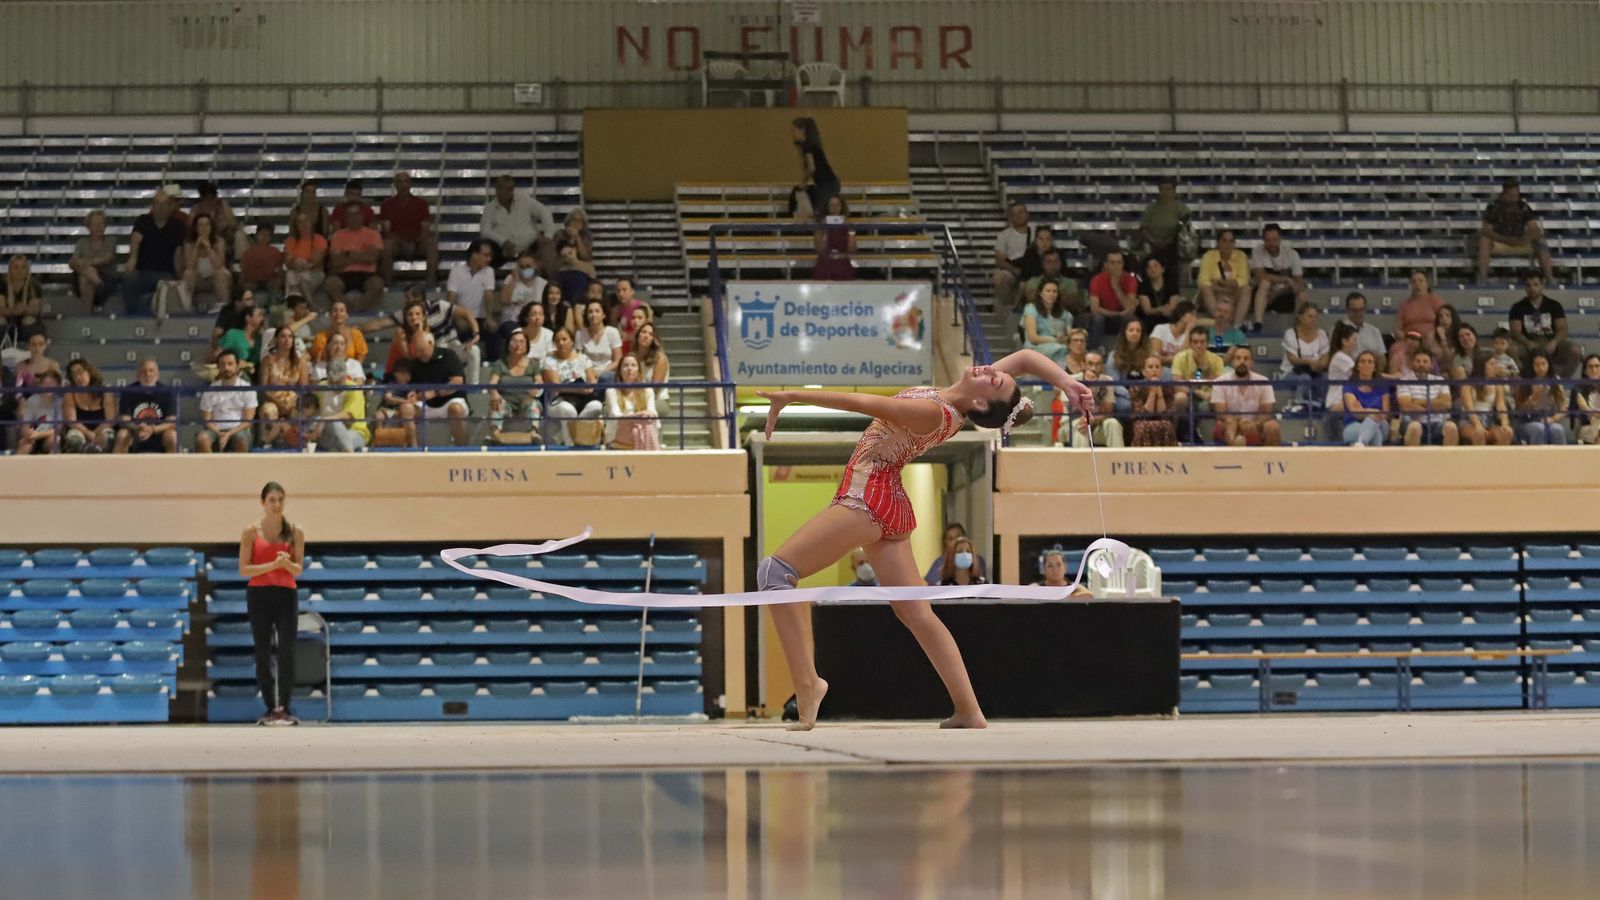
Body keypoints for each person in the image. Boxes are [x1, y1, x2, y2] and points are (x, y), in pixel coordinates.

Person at [756, 352, 1088, 730]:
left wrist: (793, 397)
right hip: (890, 499)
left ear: (980, 402)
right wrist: (1067, 382)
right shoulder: (959, 397)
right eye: (998, 373)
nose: (992, 370)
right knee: (917, 614)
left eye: (995, 379)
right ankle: (969, 710)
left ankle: (808, 684)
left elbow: (861, 402)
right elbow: (1027, 358)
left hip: (868, 498)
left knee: (775, 572)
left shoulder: (932, 413)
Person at [238, 482, 305, 726]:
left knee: (287, 652)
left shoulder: (295, 531)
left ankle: (284, 708)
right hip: (259, 595)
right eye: (272, 500)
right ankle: (269, 708)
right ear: (263, 503)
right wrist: (272, 566)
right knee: (263, 652)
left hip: (286, 594)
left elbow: (298, 569)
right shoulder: (251, 531)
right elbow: (244, 568)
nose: (276, 505)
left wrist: (285, 564)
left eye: (280, 500)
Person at [120, 190, 185, 317]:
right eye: (157, 204)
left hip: (166, 273)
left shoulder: (177, 225)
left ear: (170, 206)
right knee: (129, 280)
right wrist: (132, 259)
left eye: (165, 204)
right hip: (142, 272)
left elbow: (178, 252)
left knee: (168, 286)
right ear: (153, 206)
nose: (161, 208)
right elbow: (136, 239)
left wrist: (180, 275)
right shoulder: (142, 221)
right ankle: (132, 316)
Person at [1478, 177, 1554, 284]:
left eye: (1516, 195)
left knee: (1541, 242)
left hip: (1520, 241)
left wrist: (1526, 238)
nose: (1514, 199)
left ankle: (1550, 278)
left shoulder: (1523, 207)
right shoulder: (1493, 207)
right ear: (1504, 194)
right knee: (1484, 241)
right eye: (1510, 196)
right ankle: (1482, 278)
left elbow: (1535, 229)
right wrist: (1505, 239)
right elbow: (1486, 230)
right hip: (1500, 242)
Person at [1508, 272, 1581, 377]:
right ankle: (1524, 379)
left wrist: (1554, 342)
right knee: (1511, 349)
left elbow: (1563, 329)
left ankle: (1561, 382)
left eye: (1535, 284)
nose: (1532, 288)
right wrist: (1528, 343)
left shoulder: (1554, 305)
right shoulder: (1517, 307)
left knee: (1575, 350)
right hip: (1527, 343)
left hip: (1550, 341)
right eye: (1528, 285)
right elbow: (1515, 332)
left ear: (1543, 285)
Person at [1241, 223, 1307, 333]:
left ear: (1280, 239)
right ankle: (1258, 324)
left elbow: (1298, 282)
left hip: (1283, 294)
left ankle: (1299, 329)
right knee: (1264, 284)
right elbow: (1260, 276)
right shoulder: (1258, 251)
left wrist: (1277, 292)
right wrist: (1286, 279)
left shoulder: (1292, 254)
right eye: (1268, 240)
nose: (1271, 243)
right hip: (1262, 295)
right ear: (1264, 240)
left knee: (1302, 294)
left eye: (1274, 240)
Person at [407, 331, 470, 447]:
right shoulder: (415, 364)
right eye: (416, 351)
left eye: (422, 350)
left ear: (431, 344)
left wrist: (435, 393)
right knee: (406, 409)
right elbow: (413, 386)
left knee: (456, 409)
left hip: (450, 401)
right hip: (427, 405)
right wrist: (413, 395)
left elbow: (457, 381)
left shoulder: (448, 355)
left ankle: (462, 450)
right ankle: (414, 450)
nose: (419, 354)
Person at [541, 327, 602, 445]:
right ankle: (571, 446)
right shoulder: (549, 361)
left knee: (596, 406)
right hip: (558, 400)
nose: (561, 343)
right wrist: (579, 390)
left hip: (583, 399)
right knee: (568, 410)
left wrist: (582, 389)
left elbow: (591, 383)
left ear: (572, 341)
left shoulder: (583, 358)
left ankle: (580, 436)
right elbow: (556, 387)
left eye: (564, 339)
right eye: (557, 341)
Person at [480, 175, 556, 269]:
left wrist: (547, 236)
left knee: (547, 246)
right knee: (481, 248)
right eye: (499, 188)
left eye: (506, 189)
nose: (501, 192)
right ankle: (484, 280)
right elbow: (485, 231)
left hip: (529, 247)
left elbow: (545, 213)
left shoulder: (524, 199)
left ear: (511, 190)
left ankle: (551, 281)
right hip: (502, 250)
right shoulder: (489, 208)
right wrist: (504, 242)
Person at [380, 171, 441, 287]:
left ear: (410, 184)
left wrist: (414, 242)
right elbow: (386, 231)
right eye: (399, 182)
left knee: (431, 244)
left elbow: (425, 229)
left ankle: (431, 282)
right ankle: (388, 284)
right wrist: (403, 243)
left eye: (406, 181)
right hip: (397, 244)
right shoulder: (387, 204)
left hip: (417, 242)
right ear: (395, 185)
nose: (403, 185)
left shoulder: (421, 203)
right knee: (386, 246)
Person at [1211, 346, 1281, 447]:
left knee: (1273, 426)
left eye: (1246, 358)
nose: (1242, 361)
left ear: (1252, 362)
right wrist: (1239, 422)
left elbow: (1267, 412)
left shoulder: (1263, 381)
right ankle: (1236, 448)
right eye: (1238, 358)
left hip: (1255, 425)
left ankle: (1268, 461)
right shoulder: (1220, 381)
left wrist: (1254, 424)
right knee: (1229, 423)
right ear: (1232, 362)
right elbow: (1220, 413)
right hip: (1231, 424)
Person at [446, 240, 496, 380]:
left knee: (492, 331)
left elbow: (488, 294)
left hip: (480, 317)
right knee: (460, 330)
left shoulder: (489, 272)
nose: (489, 259)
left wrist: (489, 317)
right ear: (474, 255)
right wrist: (455, 318)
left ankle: (493, 366)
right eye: (485, 255)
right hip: (461, 317)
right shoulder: (456, 272)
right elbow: (451, 298)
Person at [256, 326, 310, 450]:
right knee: (268, 411)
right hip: (272, 399)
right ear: (276, 340)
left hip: (293, 401)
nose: (287, 340)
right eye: (283, 336)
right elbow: (263, 388)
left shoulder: (300, 361)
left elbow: (304, 387)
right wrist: (278, 403)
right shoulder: (268, 360)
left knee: (300, 414)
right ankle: (266, 443)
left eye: (290, 337)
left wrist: (292, 401)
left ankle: (296, 443)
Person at [325, 203, 385, 310]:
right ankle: (347, 307)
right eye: (350, 215)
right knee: (330, 284)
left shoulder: (373, 234)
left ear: (362, 215)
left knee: (377, 284)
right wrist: (362, 254)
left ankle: (358, 307)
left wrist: (347, 254)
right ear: (345, 217)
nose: (354, 218)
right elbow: (337, 263)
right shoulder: (337, 236)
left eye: (356, 214)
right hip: (344, 274)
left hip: (367, 274)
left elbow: (371, 258)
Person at [195, 350, 257, 453]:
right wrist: (219, 433)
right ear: (218, 367)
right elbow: (207, 419)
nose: (226, 368)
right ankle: (210, 468)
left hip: (238, 430)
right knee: (202, 439)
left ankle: (239, 469)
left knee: (241, 440)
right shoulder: (211, 389)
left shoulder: (247, 388)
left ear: (237, 366)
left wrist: (229, 434)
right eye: (222, 364)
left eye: (230, 364)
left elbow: (248, 422)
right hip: (215, 430)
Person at [487, 327, 542, 444]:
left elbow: (540, 382)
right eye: (514, 341)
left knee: (534, 405)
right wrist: (494, 394)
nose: (518, 345)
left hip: (526, 401)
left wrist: (535, 389)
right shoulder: (500, 364)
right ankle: (496, 435)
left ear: (527, 346)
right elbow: (492, 383)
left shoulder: (533, 364)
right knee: (496, 404)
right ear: (508, 345)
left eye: (522, 342)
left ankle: (533, 433)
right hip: (506, 401)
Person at [111, 358, 178, 454]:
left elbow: (172, 422)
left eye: (151, 370)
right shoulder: (128, 391)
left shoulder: (167, 392)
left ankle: (173, 468)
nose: (148, 374)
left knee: (172, 436)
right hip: (135, 431)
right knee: (122, 435)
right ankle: (116, 467)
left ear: (157, 374)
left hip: (159, 432)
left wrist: (153, 429)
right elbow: (124, 420)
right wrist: (138, 428)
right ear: (138, 375)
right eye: (144, 371)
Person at [1136, 177, 1192, 287]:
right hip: (1152, 245)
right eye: (1162, 189)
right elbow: (1143, 228)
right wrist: (1153, 241)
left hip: (1174, 246)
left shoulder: (1182, 208)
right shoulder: (1151, 208)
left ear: (1174, 191)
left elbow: (1186, 230)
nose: (1165, 192)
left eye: (1168, 189)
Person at [1397, 348, 1458, 447]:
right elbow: (1406, 406)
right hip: (1412, 421)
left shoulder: (1440, 380)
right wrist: (1435, 404)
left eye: (1425, 361)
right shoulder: (1404, 380)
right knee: (1415, 427)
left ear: (1431, 364)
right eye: (1418, 361)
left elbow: (1447, 403)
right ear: (1412, 363)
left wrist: (1418, 402)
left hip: (1437, 422)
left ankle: (1449, 462)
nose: (1421, 364)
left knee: (1451, 427)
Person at [1279, 301, 1331, 412]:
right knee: (1305, 379)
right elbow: (1292, 359)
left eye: (1315, 317)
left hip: (1315, 371)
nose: (1313, 320)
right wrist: (1309, 362)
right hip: (1292, 372)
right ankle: (1299, 403)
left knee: (1325, 378)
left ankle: (1322, 404)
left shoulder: (1321, 334)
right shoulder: (1291, 333)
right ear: (1300, 317)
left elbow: (1325, 358)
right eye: (1309, 316)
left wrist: (1320, 365)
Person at [1196, 230, 1250, 328]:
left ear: (1234, 243)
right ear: (1218, 243)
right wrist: (1227, 287)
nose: (1228, 244)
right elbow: (1203, 280)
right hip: (1214, 295)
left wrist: (1220, 283)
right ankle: (1220, 320)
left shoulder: (1240, 256)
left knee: (1247, 289)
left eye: (1231, 241)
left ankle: (1236, 326)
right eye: (1224, 241)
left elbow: (1244, 280)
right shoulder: (1209, 256)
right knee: (1205, 288)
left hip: (1232, 295)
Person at [606, 354, 661, 450]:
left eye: (633, 365)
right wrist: (639, 416)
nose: (629, 368)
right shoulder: (612, 391)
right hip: (619, 434)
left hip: (642, 431)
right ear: (619, 371)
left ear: (638, 370)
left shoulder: (647, 390)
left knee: (644, 427)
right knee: (641, 427)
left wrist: (638, 418)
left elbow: (653, 413)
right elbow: (617, 415)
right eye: (625, 365)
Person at [790, 116, 840, 221]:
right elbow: (805, 167)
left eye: (794, 130)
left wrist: (803, 182)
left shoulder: (809, 145)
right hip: (824, 184)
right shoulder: (806, 146)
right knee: (820, 215)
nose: (793, 134)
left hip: (828, 184)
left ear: (802, 130)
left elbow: (812, 168)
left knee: (822, 215)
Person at [1458, 355, 1515, 447]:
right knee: (1479, 434)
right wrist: (1477, 425)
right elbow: (1469, 409)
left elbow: (1501, 406)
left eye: (1495, 364)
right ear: (1482, 366)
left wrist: (1505, 424)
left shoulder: (1497, 385)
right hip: (1470, 422)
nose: (1495, 367)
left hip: (1489, 421)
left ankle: (1497, 460)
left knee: (1507, 433)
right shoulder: (1467, 385)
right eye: (1491, 364)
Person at [61, 359, 116, 453]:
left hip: (102, 428)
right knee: (74, 440)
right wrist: (88, 433)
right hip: (80, 429)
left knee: (108, 438)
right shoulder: (70, 393)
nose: (78, 377)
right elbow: (71, 421)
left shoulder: (105, 390)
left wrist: (95, 434)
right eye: (74, 374)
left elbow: (111, 420)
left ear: (89, 372)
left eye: (80, 372)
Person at [1515, 349, 1569, 445]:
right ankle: (1538, 459)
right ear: (1532, 365)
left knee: (1558, 429)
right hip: (1527, 421)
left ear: (1548, 364)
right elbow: (1519, 411)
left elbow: (1563, 408)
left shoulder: (1555, 380)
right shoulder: (1524, 381)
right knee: (1539, 429)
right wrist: (1533, 398)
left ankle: (1562, 459)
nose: (1541, 368)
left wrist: (1553, 419)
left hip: (1549, 418)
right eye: (1537, 365)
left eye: (1543, 364)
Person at [70, 210, 120, 313]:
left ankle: (86, 315)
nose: (99, 227)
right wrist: (88, 265)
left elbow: (107, 259)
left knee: (85, 275)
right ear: (88, 227)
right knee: (85, 274)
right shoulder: (81, 242)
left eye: (101, 224)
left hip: (107, 277)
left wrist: (85, 262)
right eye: (96, 224)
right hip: (87, 280)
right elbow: (73, 262)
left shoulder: (111, 240)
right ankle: (98, 283)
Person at [181, 213, 232, 310]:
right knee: (188, 273)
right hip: (198, 278)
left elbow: (219, 265)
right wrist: (196, 247)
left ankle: (223, 307)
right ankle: (186, 307)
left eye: (208, 224)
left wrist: (208, 247)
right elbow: (189, 266)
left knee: (220, 273)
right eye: (201, 225)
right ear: (196, 228)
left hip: (214, 277)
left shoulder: (219, 241)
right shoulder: (189, 243)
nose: (205, 228)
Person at [1340, 351, 1391, 447]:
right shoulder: (1349, 387)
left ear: (1375, 367)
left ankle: (1360, 443)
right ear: (1358, 366)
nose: (1366, 364)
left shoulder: (1382, 387)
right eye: (1362, 361)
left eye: (1370, 362)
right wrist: (1373, 412)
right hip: (1353, 426)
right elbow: (1355, 413)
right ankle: (1362, 443)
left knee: (1377, 423)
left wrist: (1364, 411)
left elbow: (1384, 414)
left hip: (1381, 424)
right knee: (1376, 434)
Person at [1087, 250, 1138, 343]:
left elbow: (1130, 308)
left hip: (1122, 318)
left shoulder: (1130, 280)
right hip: (1104, 317)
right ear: (1106, 264)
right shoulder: (1097, 280)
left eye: (1119, 262)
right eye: (1112, 263)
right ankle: (1095, 350)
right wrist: (1118, 314)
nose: (1116, 266)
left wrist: (1116, 287)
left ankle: (1128, 350)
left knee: (1130, 318)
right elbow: (1095, 309)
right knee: (1098, 319)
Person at [1128, 354, 1177, 447]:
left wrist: (1158, 390)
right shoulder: (1136, 387)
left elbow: (1163, 413)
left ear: (1161, 371)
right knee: (1142, 428)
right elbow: (1144, 414)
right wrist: (1152, 392)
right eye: (1150, 367)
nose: (1154, 370)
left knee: (1167, 426)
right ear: (1144, 372)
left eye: (1157, 367)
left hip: (1162, 419)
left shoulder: (1167, 387)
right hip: (1142, 420)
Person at [992, 202, 1032, 312]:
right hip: (1012, 269)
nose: (1018, 216)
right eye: (1014, 214)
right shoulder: (1004, 235)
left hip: (1032, 270)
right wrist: (1015, 270)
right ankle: (1009, 309)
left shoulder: (1035, 234)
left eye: (1021, 212)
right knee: (1000, 277)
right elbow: (1000, 261)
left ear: (1027, 214)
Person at [1020, 280, 1071, 365]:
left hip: (1060, 345)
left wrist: (1065, 338)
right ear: (1041, 293)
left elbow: (1070, 336)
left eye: (1054, 291)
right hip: (1035, 347)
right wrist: (1055, 340)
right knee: (1061, 349)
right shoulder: (1031, 309)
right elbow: (1033, 338)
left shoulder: (1065, 314)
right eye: (1048, 291)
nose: (1051, 294)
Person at [283, 208, 329, 301]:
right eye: (300, 222)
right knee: (291, 275)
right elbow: (288, 262)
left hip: (315, 272)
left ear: (311, 222)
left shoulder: (319, 240)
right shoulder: (290, 242)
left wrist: (304, 265)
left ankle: (296, 301)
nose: (304, 224)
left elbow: (316, 261)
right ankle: (307, 303)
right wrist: (296, 264)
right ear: (296, 226)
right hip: (296, 271)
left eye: (306, 220)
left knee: (299, 280)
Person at [15, 368, 63, 455]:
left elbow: (58, 429)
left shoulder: (60, 403)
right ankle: (15, 467)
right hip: (32, 436)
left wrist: (38, 434)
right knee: (24, 444)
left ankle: (54, 467)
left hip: (48, 436)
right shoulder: (32, 400)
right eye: (45, 383)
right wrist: (28, 434)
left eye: (51, 383)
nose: (48, 386)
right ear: (40, 385)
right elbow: (25, 425)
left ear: (57, 385)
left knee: (55, 440)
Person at [309, 299, 369, 365]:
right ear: (330, 315)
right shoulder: (320, 336)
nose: (338, 313)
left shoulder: (356, 334)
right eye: (335, 310)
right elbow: (316, 359)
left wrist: (353, 371)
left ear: (346, 315)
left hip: (351, 371)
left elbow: (360, 357)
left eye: (342, 310)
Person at [812, 195, 857, 281]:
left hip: (843, 265)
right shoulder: (820, 227)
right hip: (825, 265)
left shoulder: (848, 225)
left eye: (837, 205)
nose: (834, 208)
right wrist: (824, 229)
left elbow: (853, 249)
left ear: (841, 207)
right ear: (827, 207)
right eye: (831, 205)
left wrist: (850, 229)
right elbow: (820, 249)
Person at [1136, 256, 1183, 337]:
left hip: (1168, 317)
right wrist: (1161, 309)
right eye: (1149, 267)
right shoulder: (1143, 286)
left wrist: (1160, 310)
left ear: (1163, 269)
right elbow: (1147, 310)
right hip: (1149, 319)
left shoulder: (1172, 285)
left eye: (1156, 266)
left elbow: (1173, 307)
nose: (1152, 269)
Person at [577, 299, 623, 381]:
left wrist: (601, 372)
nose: (593, 314)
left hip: (608, 374)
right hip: (587, 374)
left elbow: (617, 361)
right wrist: (590, 373)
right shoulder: (580, 334)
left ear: (604, 315)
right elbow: (578, 360)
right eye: (590, 312)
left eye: (597, 311)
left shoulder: (612, 332)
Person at [238, 222, 285, 298]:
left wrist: (278, 282)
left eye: (268, 235)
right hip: (253, 283)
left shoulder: (275, 252)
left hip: (269, 283)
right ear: (257, 235)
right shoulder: (248, 253)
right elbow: (243, 274)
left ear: (271, 238)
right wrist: (243, 284)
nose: (265, 237)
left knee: (276, 284)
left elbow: (280, 273)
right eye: (262, 234)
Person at [1340, 291, 1387, 361]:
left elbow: (1382, 358)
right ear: (1347, 310)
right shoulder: (1339, 330)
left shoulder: (1374, 331)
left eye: (1361, 309)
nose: (1358, 313)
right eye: (1354, 310)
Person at [1150, 301, 1196, 366]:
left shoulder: (1191, 334)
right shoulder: (1160, 329)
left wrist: (1188, 332)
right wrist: (1174, 359)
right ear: (1182, 315)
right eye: (1192, 314)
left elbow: (1183, 359)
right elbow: (1155, 357)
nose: (1195, 319)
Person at [1575, 354, 1600, 445]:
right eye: (1590, 367)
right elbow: (1585, 409)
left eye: (1597, 366)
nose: (1594, 370)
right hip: (1587, 427)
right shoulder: (1578, 389)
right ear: (1585, 371)